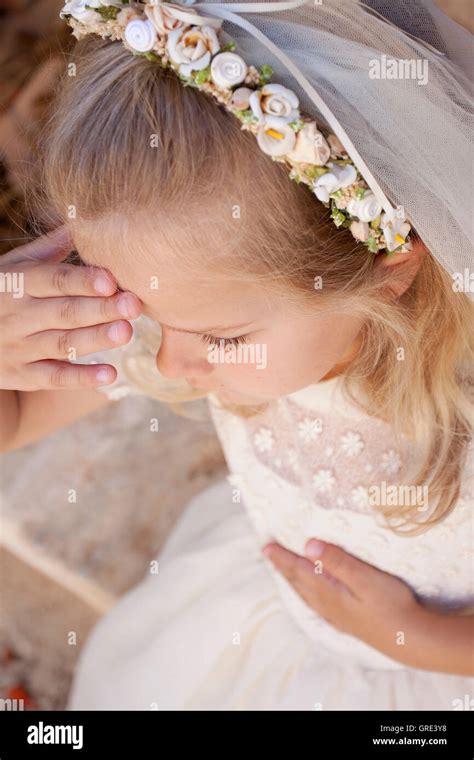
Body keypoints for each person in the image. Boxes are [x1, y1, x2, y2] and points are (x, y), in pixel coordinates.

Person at [0, 0, 472, 709]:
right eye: (150, 317)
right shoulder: (199, 310)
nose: (165, 364)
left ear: (388, 267)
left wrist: (417, 638)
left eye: (222, 339)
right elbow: (14, 422)